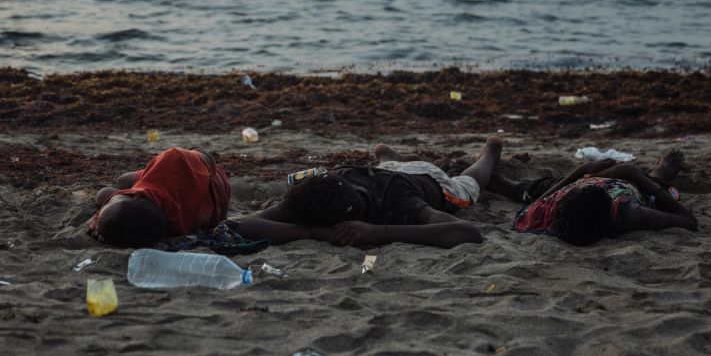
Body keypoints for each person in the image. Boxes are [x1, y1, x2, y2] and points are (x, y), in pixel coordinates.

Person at [233, 136, 503, 249]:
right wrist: (314, 233)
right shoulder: (328, 186)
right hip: (385, 171)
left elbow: (468, 232)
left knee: (468, 186)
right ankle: (387, 154)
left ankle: (490, 151)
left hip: (429, 179)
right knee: (387, 165)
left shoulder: (401, 204)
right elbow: (240, 225)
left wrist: (378, 232)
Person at [488, 150, 697, 245]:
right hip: (626, 183)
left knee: (533, 189)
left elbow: (530, 207)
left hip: (580, 182)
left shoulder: (546, 214)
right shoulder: (632, 214)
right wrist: (631, 173)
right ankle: (659, 173)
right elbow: (689, 220)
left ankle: (501, 182)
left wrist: (582, 171)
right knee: (653, 184)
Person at [87, 147, 231, 248]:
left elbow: (104, 195)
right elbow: (208, 161)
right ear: (140, 197)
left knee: (120, 182)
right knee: (121, 182)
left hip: (207, 199)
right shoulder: (174, 159)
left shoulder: (173, 228)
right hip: (213, 184)